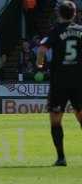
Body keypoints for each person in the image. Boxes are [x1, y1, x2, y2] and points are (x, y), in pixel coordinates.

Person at [37, 1, 82, 166]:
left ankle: (61, 158)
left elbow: (42, 50)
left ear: (59, 14)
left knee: (56, 120)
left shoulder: (56, 31)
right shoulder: (81, 30)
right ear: (74, 13)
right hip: (79, 81)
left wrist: (40, 65)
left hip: (59, 82)